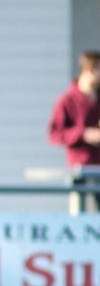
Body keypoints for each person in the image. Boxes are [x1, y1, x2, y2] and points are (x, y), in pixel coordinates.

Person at [48, 50, 100, 211]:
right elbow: (55, 134)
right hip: (80, 168)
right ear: (90, 71)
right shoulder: (67, 101)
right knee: (79, 211)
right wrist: (84, 134)